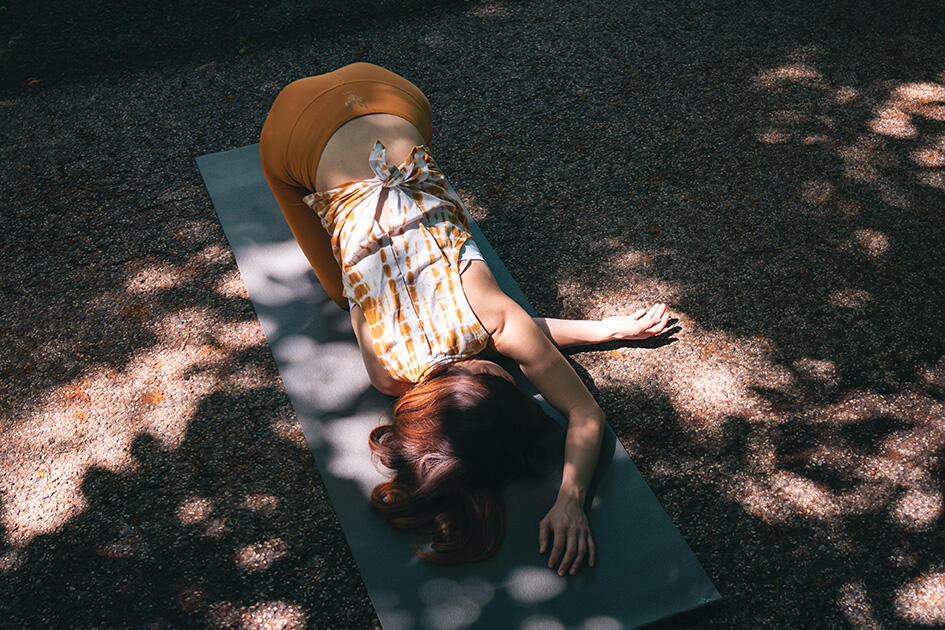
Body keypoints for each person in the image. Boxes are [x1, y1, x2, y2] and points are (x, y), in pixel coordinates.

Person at [259, 62, 670, 576]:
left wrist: (571, 498)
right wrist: (606, 330)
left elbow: (580, 411)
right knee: (340, 292)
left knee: (341, 289)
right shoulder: (388, 373)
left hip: (388, 98)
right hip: (318, 120)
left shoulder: (494, 320)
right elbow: (515, 348)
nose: (516, 373)